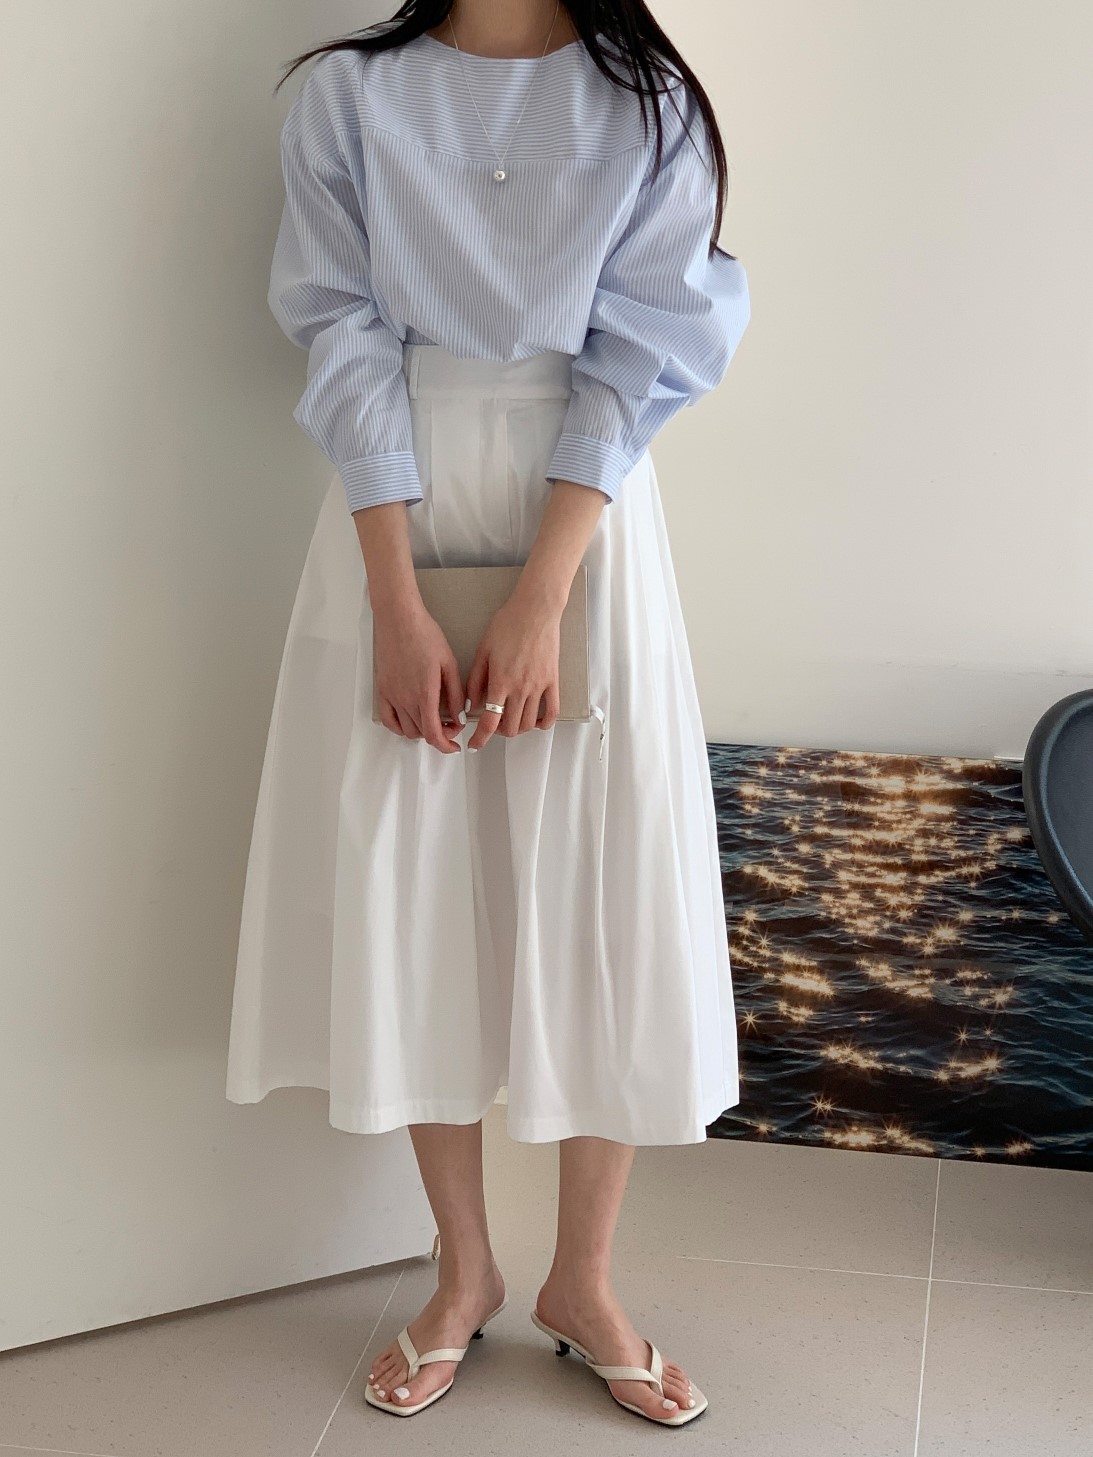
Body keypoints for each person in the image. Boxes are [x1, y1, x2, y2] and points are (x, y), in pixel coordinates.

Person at [226, 0, 750, 1427]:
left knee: (599, 883)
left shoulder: (650, 101)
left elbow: (647, 343)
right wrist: (395, 602)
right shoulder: (348, 96)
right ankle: (463, 1270)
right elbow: (338, 332)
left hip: (589, 512)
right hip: (392, 499)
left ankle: (585, 1281)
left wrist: (541, 594)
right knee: (415, 879)